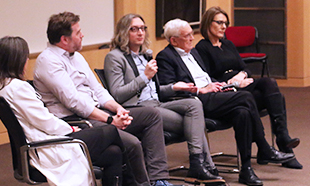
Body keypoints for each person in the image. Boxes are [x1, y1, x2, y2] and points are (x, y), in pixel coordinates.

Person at [33, 12, 175, 186]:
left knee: (151, 115)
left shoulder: (77, 56)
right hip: (77, 121)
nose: (82, 35)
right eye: (78, 33)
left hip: (98, 113)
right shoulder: (48, 61)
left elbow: (98, 90)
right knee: (132, 143)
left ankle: (158, 180)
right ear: (64, 39)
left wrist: (118, 109)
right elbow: (74, 102)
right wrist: (109, 119)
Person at [155, 18, 296, 186]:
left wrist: (218, 84)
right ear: (174, 40)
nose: (192, 38)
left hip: (213, 93)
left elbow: (205, 76)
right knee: (245, 97)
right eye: (187, 35)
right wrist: (201, 89)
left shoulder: (192, 53)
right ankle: (264, 147)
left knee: (242, 112)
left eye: (192, 34)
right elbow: (170, 89)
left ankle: (246, 170)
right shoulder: (165, 57)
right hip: (196, 101)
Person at [104, 13, 225, 185]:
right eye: (134, 29)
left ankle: (201, 165)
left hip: (158, 103)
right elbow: (117, 94)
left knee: (193, 103)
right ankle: (204, 166)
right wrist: (144, 77)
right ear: (123, 32)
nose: (140, 33)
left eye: (142, 28)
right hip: (140, 109)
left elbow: (154, 90)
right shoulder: (115, 57)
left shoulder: (145, 55)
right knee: (193, 123)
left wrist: (174, 87)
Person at [0, 36, 125, 186]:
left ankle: (130, 176)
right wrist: (70, 128)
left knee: (114, 153)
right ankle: (133, 177)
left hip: (45, 142)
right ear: (18, 60)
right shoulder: (17, 88)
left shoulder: (5, 88)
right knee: (111, 131)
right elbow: (45, 121)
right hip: (48, 145)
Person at [195, 6, 302, 169]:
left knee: (270, 83)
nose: (224, 27)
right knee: (275, 97)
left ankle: (282, 137)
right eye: (220, 22)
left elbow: (244, 67)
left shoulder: (228, 44)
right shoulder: (202, 48)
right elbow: (207, 78)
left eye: (226, 23)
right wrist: (233, 83)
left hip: (242, 84)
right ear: (209, 23)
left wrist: (242, 75)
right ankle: (278, 146)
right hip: (227, 92)